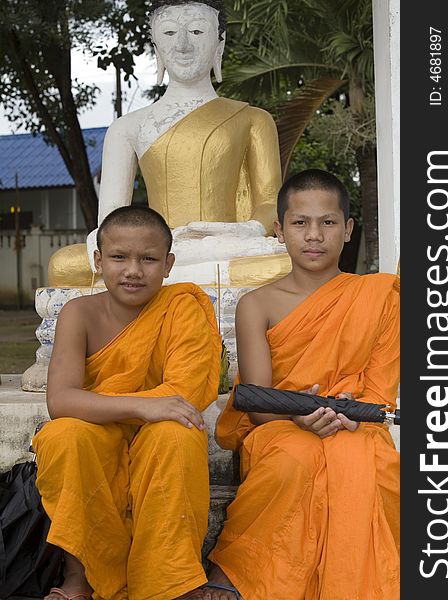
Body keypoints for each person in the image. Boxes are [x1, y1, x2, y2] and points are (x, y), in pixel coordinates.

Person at [206, 169, 400, 600]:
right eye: (300, 223)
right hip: (280, 427)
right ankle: (242, 572)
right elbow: (258, 401)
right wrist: (301, 415)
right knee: (293, 460)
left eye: (328, 222)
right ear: (280, 231)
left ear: (348, 230)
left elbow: (379, 393)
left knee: (376, 467)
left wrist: (349, 412)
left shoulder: (381, 296)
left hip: (357, 424)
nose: (314, 235)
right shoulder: (256, 304)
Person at [32, 205, 223, 600]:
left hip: (158, 431)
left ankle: (171, 582)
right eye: (119, 257)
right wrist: (140, 405)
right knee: (63, 435)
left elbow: (183, 396)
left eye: (148, 259)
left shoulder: (183, 307)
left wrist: (149, 410)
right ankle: (81, 577)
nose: (133, 270)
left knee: (177, 434)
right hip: (100, 429)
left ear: (168, 264)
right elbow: (61, 400)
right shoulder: (79, 313)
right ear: (99, 261)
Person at [48, 0, 286, 289]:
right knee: (63, 265)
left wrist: (241, 232)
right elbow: (111, 224)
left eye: (197, 31)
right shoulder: (128, 127)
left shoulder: (253, 119)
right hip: (152, 251)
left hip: (227, 243)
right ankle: (177, 269)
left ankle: (169, 272)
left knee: (284, 265)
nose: (183, 45)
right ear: (156, 44)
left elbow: (270, 203)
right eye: (170, 33)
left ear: (219, 42)